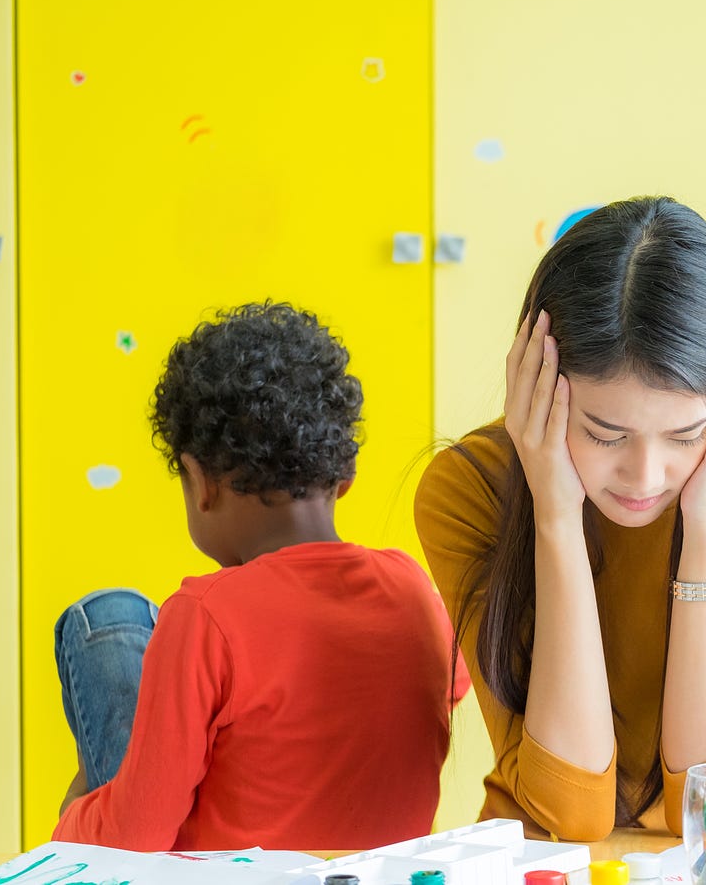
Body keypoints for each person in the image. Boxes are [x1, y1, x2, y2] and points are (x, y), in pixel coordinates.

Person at [414, 196, 706, 842]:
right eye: (603, 434)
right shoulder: (469, 489)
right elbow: (566, 811)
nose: (644, 476)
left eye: (687, 435)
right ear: (536, 380)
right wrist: (555, 516)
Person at [53, 301, 469, 850]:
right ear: (344, 477)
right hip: (376, 872)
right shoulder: (416, 591)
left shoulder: (205, 615)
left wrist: (70, 820)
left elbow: (137, 833)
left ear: (200, 483)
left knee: (104, 616)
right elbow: (446, 689)